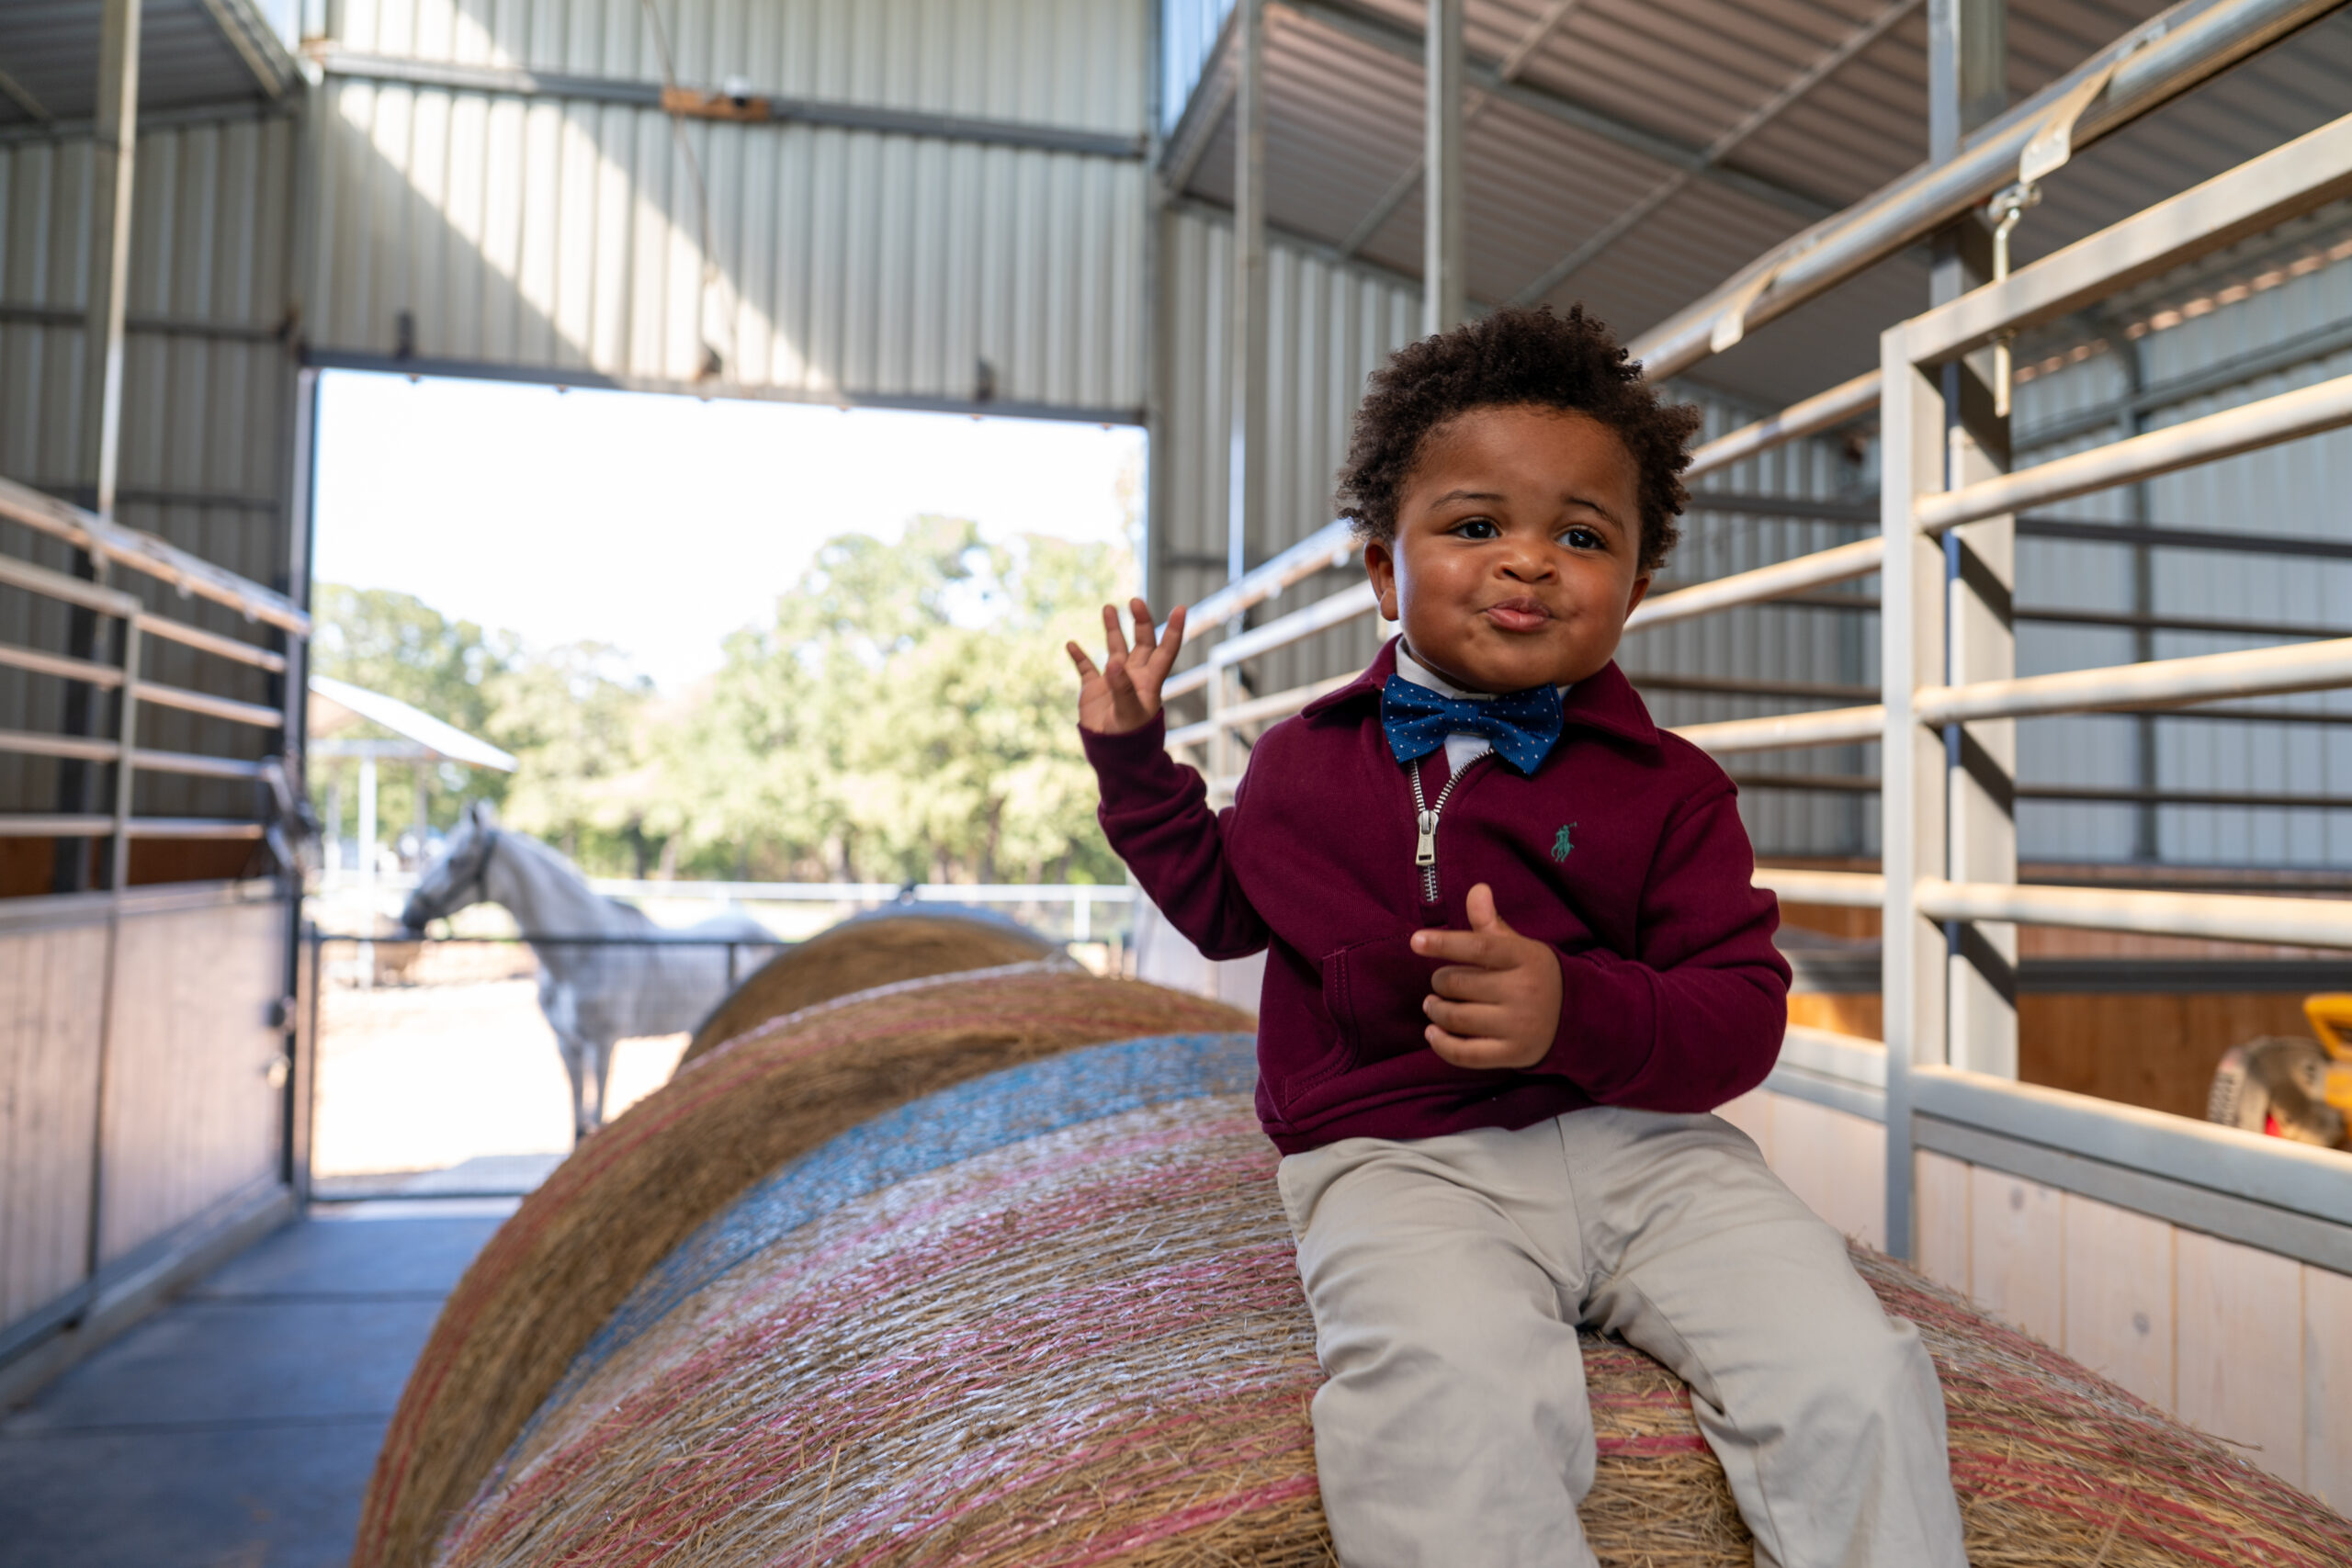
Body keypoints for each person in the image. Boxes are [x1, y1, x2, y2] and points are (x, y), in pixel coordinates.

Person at [1066, 306, 1967, 1568]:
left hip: (1651, 1155)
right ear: (1386, 568)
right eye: (1477, 525)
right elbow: (1222, 908)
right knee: (1445, 1403)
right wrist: (1134, 765)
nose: (1529, 561)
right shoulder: (1301, 765)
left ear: (1637, 585)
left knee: (1854, 1374)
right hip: (1398, 1160)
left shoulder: (1672, 788)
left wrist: (1577, 1011)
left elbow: (1741, 1013)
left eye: (1581, 535)